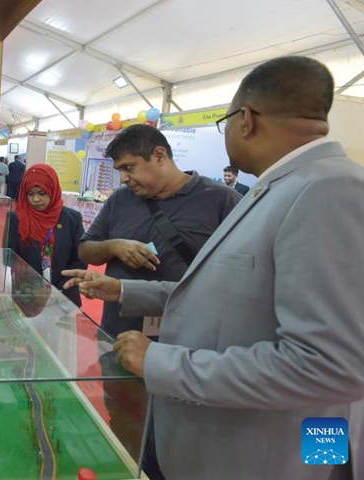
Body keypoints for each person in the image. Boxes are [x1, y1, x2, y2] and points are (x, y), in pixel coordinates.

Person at [64, 56, 364, 480]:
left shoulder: (330, 190)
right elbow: (224, 292)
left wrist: (163, 363)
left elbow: (330, 367)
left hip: (258, 454)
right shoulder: (279, 189)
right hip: (209, 438)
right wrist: (124, 291)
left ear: (245, 120)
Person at [78, 124, 240, 478]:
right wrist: (115, 245)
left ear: (160, 156)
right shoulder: (121, 201)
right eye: (119, 170)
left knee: (181, 430)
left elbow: (235, 279)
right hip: (120, 333)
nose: (123, 179)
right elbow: (86, 247)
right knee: (124, 416)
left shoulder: (221, 201)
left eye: (129, 167)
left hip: (186, 343)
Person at [8, 163, 86, 307]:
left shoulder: (71, 218)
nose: (36, 199)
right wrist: (34, 288)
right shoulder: (17, 218)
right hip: (28, 295)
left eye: (42, 193)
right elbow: (9, 258)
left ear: (53, 189)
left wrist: (58, 290)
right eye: (30, 194)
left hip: (65, 297)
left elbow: (79, 259)